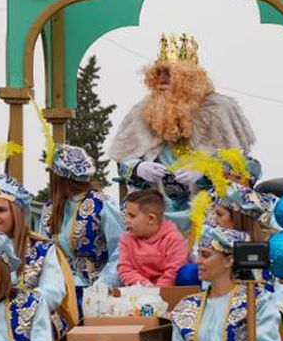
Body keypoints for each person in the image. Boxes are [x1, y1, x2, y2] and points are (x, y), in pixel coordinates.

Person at [109, 32, 256, 220]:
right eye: (158, 73)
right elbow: (123, 161)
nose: (162, 79)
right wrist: (138, 168)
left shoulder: (219, 110)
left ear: (188, 78)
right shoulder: (141, 112)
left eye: (169, 73)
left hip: (208, 209)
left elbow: (244, 166)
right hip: (154, 210)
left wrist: (204, 171)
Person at [0, 171, 75, 336]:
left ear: (16, 213)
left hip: (33, 327)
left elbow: (53, 291)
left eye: (0, 210)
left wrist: (17, 307)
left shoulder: (43, 248)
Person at [43, 144, 123, 293]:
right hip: (58, 291)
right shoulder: (50, 208)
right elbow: (44, 251)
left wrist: (104, 284)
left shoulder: (101, 203)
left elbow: (121, 248)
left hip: (93, 290)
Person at [117, 187, 190, 287]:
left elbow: (174, 270)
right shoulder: (127, 239)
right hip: (137, 290)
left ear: (151, 218)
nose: (126, 221)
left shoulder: (173, 238)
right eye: (126, 216)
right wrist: (144, 285)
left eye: (132, 216)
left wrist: (157, 290)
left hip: (168, 292)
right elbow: (125, 269)